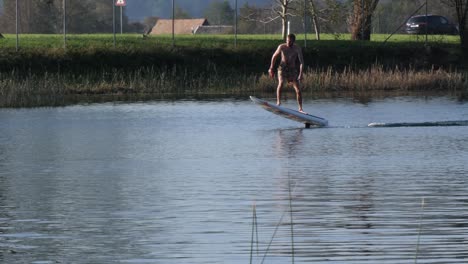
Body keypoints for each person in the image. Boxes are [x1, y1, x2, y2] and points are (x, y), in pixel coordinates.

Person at [268, 33, 305, 113]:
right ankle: (278, 102)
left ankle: (300, 108)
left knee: (298, 89)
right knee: (281, 83)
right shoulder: (282, 47)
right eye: (287, 41)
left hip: (292, 69)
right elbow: (274, 56)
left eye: (290, 41)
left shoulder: (297, 48)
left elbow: (301, 62)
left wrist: (301, 73)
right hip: (282, 68)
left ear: (293, 41)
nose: (288, 43)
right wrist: (271, 67)